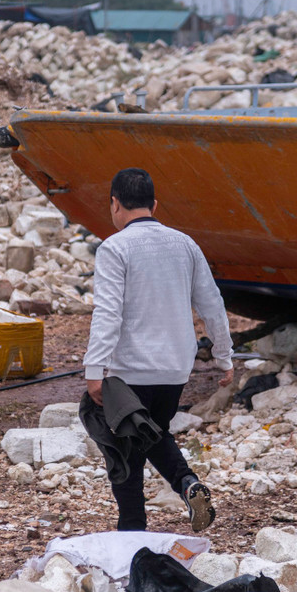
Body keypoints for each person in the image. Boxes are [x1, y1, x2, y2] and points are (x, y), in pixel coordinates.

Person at [83, 167, 234, 533]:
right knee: (155, 432)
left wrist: (94, 369)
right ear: (154, 204)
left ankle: (131, 532)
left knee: (123, 447)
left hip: (130, 371)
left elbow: (108, 312)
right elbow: (212, 304)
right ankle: (187, 484)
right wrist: (224, 356)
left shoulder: (114, 248)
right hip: (173, 369)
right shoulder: (185, 244)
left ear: (115, 204)